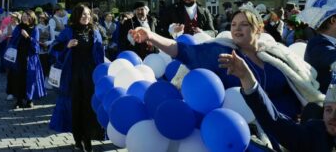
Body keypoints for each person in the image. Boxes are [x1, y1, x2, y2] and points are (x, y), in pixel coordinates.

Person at [131, 8, 324, 120]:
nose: (237, 29)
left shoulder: (275, 52)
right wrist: (151, 36)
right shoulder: (220, 52)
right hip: (248, 131)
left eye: (243, 25)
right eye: (233, 25)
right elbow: (181, 51)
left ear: (258, 29)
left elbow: (300, 80)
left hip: (288, 126)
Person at [220, 51, 336, 152]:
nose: (332, 117)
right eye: (328, 109)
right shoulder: (314, 136)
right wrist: (247, 78)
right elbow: (274, 121)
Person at [49, 4, 104, 152]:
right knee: (75, 108)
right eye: (82, 15)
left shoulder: (95, 31)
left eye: (88, 14)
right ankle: (78, 139)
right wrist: (67, 45)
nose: (86, 17)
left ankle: (87, 140)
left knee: (89, 107)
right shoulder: (69, 31)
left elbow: (100, 54)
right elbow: (54, 48)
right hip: (72, 76)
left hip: (90, 76)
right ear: (76, 16)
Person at [5, 10, 46, 109]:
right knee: (18, 78)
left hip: (31, 59)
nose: (24, 17)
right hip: (19, 58)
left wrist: (27, 37)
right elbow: (13, 41)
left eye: (27, 16)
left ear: (31, 18)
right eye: (23, 16)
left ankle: (29, 99)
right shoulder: (18, 28)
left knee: (30, 79)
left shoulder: (35, 29)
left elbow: (36, 47)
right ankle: (19, 100)